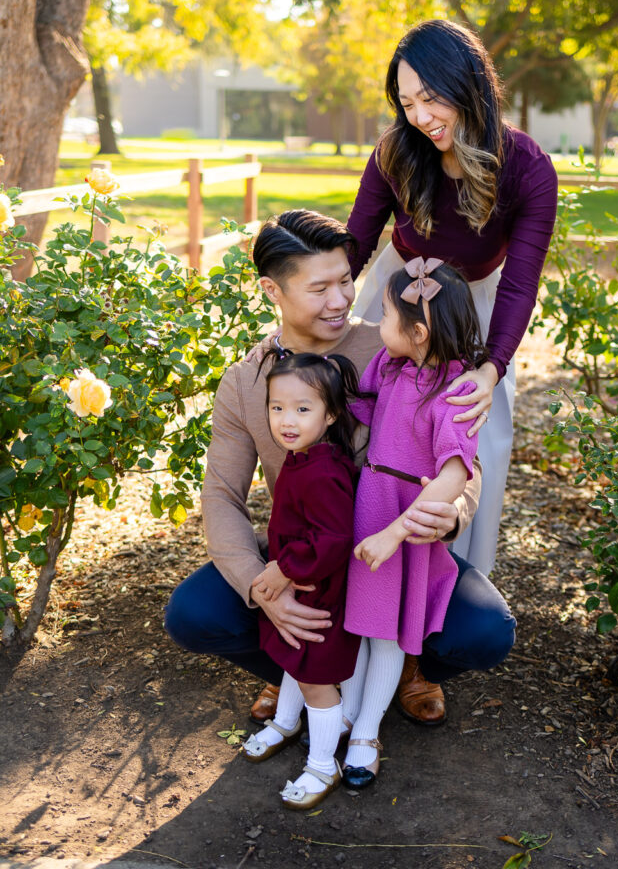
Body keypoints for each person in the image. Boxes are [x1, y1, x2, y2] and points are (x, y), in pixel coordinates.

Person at [164, 210, 515, 734]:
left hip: (395, 551)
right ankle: (298, 667)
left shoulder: (399, 346)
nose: (342, 300)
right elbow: (220, 496)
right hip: (308, 558)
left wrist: (452, 514)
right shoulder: (244, 381)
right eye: (320, 288)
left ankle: (406, 664)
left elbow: (464, 458)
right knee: (193, 613)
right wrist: (264, 589)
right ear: (272, 291)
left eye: (346, 280)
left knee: (487, 632)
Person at [347, 18, 558, 579]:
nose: (419, 117)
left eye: (431, 98)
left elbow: (520, 280)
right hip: (396, 291)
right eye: (407, 102)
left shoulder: (528, 168)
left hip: (479, 303)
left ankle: (450, 595)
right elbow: (356, 242)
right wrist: (318, 311)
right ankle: (354, 573)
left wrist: (491, 370)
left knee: (478, 436)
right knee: (357, 415)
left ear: (468, 84)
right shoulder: (396, 151)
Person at [340, 257, 482, 789]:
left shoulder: (458, 392)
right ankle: (345, 719)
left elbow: (452, 474)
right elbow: (359, 404)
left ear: (418, 331)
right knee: (359, 625)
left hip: (399, 518)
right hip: (369, 501)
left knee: (386, 637)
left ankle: (365, 734)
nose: (378, 325)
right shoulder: (390, 365)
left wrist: (397, 531)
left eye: (384, 315)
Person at [242, 351, 360, 810]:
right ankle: (287, 722)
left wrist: (286, 567)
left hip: (319, 595)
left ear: (330, 414)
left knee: (316, 679)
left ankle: (323, 763)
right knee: (293, 659)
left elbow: (332, 539)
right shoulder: (301, 457)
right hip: (300, 584)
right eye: (277, 407)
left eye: (302, 409)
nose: (286, 420)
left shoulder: (326, 471)